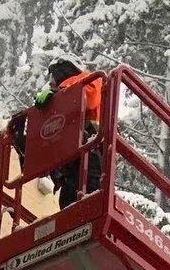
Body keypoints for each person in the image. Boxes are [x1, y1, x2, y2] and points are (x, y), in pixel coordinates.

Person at [9, 58, 104, 210]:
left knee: (90, 197)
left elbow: (89, 98)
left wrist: (59, 94)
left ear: (63, 72)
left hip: (92, 149)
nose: (51, 83)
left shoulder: (91, 79)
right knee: (69, 206)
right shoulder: (59, 106)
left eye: (53, 78)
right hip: (69, 161)